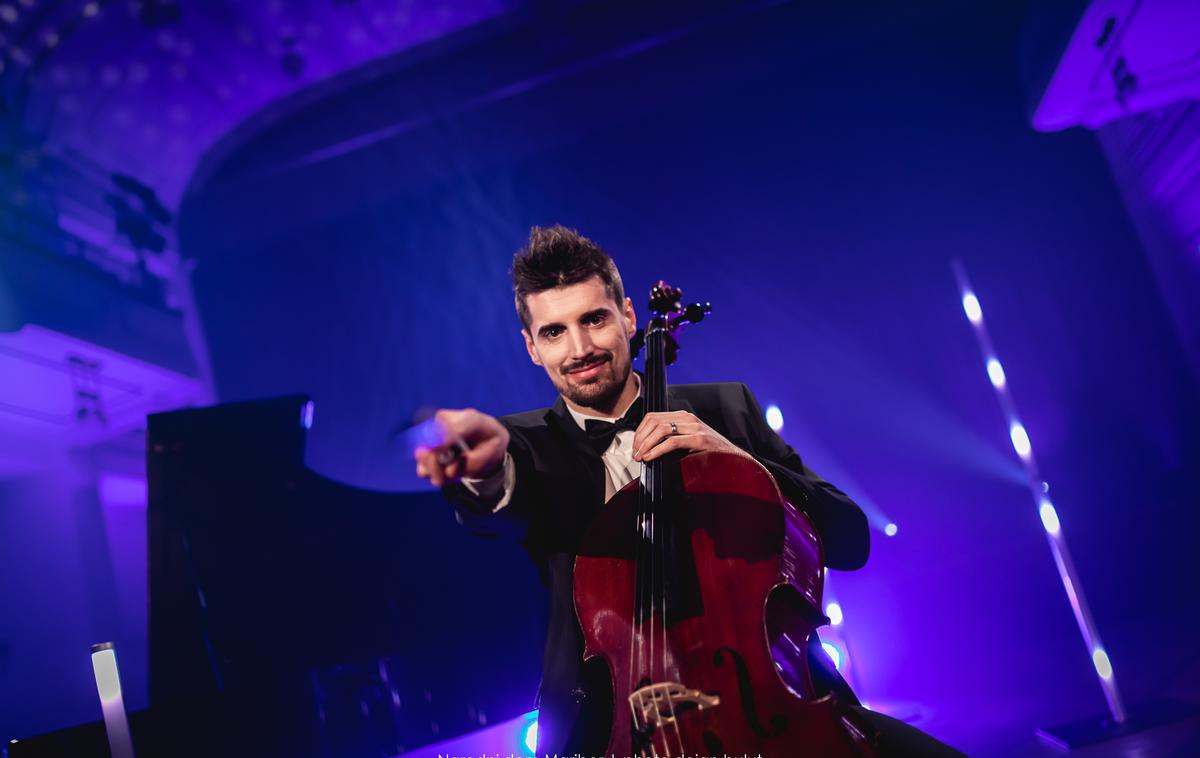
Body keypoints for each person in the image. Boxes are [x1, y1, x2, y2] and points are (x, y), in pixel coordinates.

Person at [414, 225, 963, 757]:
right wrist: (485, 474)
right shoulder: (527, 448)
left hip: (779, 702)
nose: (579, 347)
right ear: (531, 347)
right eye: (554, 332)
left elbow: (850, 541)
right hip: (614, 727)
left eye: (594, 319)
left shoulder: (727, 409)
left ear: (628, 318)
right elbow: (502, 506)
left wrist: (738, 459)